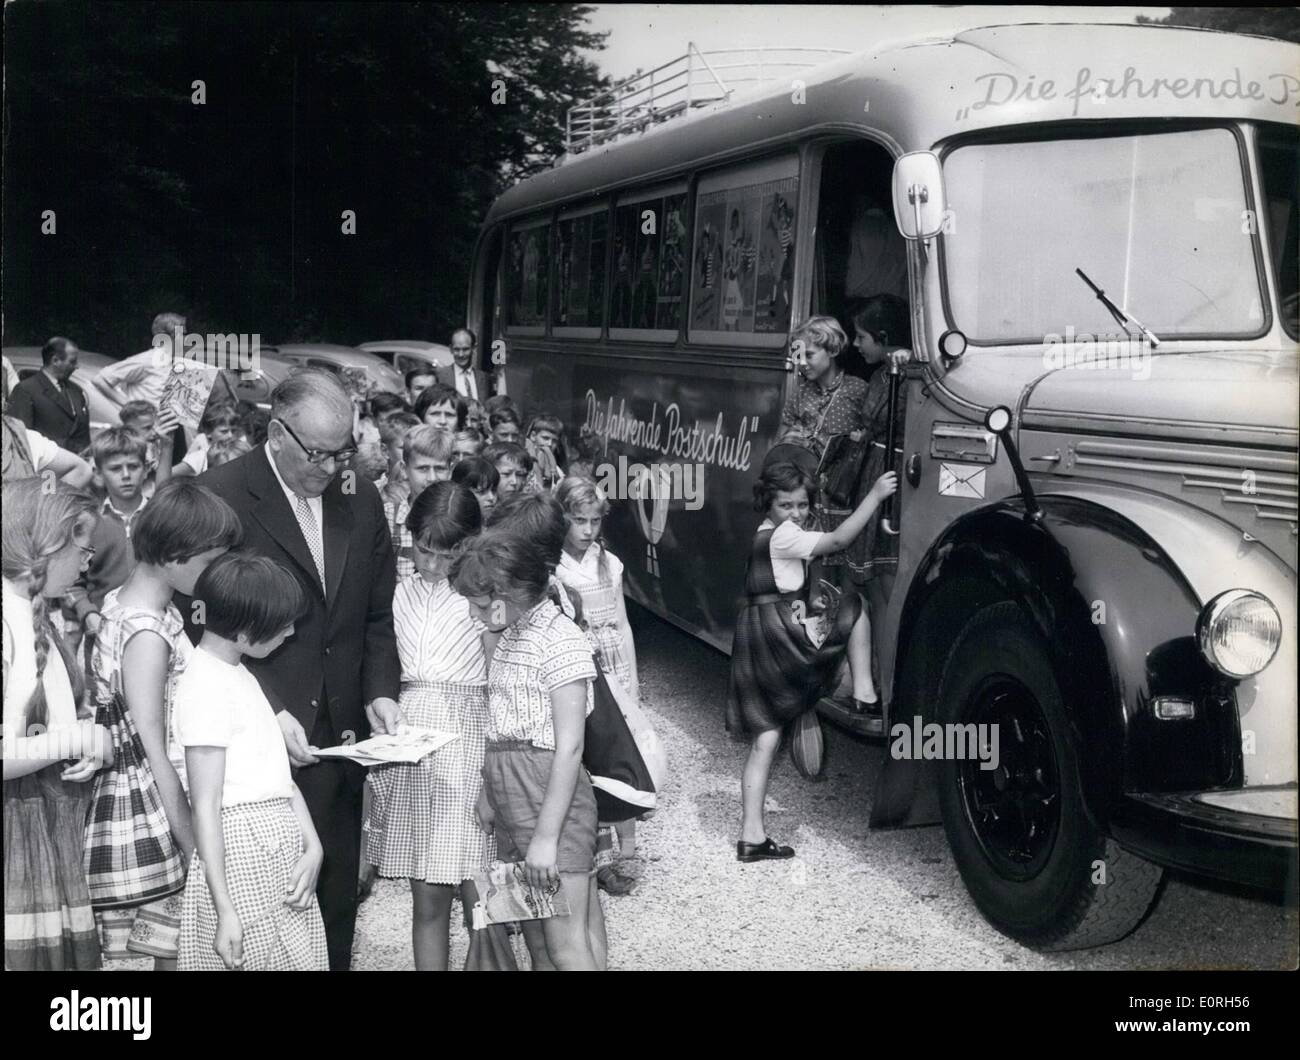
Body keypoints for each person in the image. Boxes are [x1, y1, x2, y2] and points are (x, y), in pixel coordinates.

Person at [187, 369, 400, 970]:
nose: (333, 468)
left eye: (344, 452)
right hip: (259, 744)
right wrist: (266, 710)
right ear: (277, 433)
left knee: (333, 901)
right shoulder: (220, 494)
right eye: (319, 455)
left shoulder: (361, 494)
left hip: (342, 738)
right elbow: (197, 620)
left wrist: (381, 692)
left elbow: (377, 612)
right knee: (262, 916)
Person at [85, 481, 243, 967]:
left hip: (158, 799)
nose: (215, 570)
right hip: (157, 810)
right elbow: (153, 747)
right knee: (173, 953)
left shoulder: (126, 604)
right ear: (176, 555)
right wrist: (193, 842)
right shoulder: (147, 633)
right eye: (210, 558)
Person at [449, 530, 606, 971]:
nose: (473, 613)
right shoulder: (508, 635)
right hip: (511, 796)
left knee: (564, 943)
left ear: (511, 593)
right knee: (535, 937)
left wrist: (545, 839)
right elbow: (497, 722)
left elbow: (570, 745)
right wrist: (487, 791)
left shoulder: (561, 640)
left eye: (481, 605)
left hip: (550, 802)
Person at [727, 461, 896, 862]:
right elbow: (837, 541)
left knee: (765, 737)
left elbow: (781, 581)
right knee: (854, 607)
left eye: (802, 505)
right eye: (786, 505)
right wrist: (874, 495)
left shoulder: (766, 532)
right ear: (768, 503)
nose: (797, 513)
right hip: (778, 635)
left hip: (759, 632)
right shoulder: (785, 534)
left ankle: (751, 836)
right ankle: (863, 690)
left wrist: (809, 599)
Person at [364, 483, 495, 969]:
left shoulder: (484, 600)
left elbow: (502, 684)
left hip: (469, 746)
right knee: (427, 893)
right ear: (409, 536)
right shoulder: (400, 593)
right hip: (415, 752)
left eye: (449, 554)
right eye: (424, 552)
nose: (435, 566)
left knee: (483, 891)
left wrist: (491, 777)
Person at [175, 552, 326, 971]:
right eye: (282, 625)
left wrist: (312, 845)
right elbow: (206, 806)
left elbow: (280, 778)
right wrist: (224, 910)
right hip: (241, 850)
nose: (291, 632)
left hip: (279, 839)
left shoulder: (240, 673)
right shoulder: (204, 684)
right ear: (244, 631)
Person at [3, 479, 111, 969]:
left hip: (46, 831)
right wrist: (75, 738)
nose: (86, 564)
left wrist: (82, 747)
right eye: (81, 549)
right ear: (45, 546)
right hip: (16, 845)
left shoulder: (36, 617)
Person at [554, 477, 644, 895]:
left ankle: (627, 847)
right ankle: (594, 850)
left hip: (613, 663)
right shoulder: (553, 565)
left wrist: (633, 683)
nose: (588, 530)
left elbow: (623, 623)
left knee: (620, 754)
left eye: (594, 521)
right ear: (562, 519)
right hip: (580, 660)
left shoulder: (608, 561)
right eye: (579, 521)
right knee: (588, 754)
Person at [65, 429, 154, 645]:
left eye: (133, 466)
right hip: (101, 635)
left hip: (151, 634)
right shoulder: (87, 523)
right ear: (98, 474)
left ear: (146, 469)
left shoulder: (158, 517)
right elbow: (70, 582)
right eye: (115, 468)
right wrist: (88, 614)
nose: (125, 475)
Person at [92, 312, 195, 468]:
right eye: (181, 334)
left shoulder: (176, 362)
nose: (185, 339)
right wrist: (128, 404)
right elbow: (101, 378)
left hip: (172, 431)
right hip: (150, 433)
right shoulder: (147, 359)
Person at [384, 426, 454, 582]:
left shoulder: (458, 517)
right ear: (404, 469)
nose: (432, 477)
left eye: (440, 468)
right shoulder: (386, 516)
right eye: (422, 469)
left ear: (450, 469)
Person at [2, 369, 92, 486]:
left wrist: (47, 501)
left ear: (3, 400)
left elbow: (81, 470)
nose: (75, 366)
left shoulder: (25, 440)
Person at [7, 337, 91, 455]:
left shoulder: (76, 391)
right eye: (72, 361)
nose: (77, 366)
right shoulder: (26, 390)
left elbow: (83, 435)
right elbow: (21, 440)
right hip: (48, 467)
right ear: (55, 360)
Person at [436, 328, 490, 403]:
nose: (461, 354)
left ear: (473, 348)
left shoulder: (484, 378)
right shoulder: (440, 376)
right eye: (457, 349)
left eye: (465, 349)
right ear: (451, 349)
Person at [525, 414, 565, 492]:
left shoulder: (559, 473)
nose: (549, 444)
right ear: (533, 436)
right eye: (545, 438)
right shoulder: (522, 464)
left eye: (554, 441)